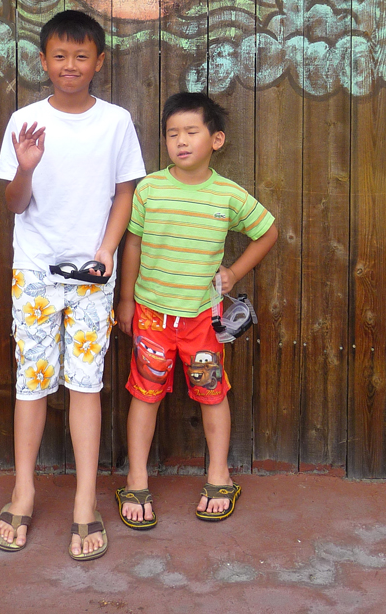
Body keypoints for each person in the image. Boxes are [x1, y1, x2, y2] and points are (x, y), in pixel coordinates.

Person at [0, 10, 146, 560]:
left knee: (86, 384)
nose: (70, 66)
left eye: (82, 57)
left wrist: (106, 250)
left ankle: (85, 501)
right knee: (31, 383)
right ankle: (23, 490)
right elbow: (13, 203)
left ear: (99, 62)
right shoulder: (25, 121)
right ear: (43, 61)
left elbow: (126, 193)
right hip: (34, 272)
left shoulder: (116, 122)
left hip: (91, 277)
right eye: (60, 56)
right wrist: (26, 167)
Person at [116, 92, 278, 528]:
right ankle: (135, 479)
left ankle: (219, 476)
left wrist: (235, 273)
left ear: (216, 139)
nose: (181, 142)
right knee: (144, 395)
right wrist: (126, 299)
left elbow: (267, 231)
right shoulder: (149, 189)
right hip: (151, 316)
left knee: (212, 393)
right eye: (172, 134)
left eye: (191, 132)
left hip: (202, 322)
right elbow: (131, 243)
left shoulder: (227, 195)